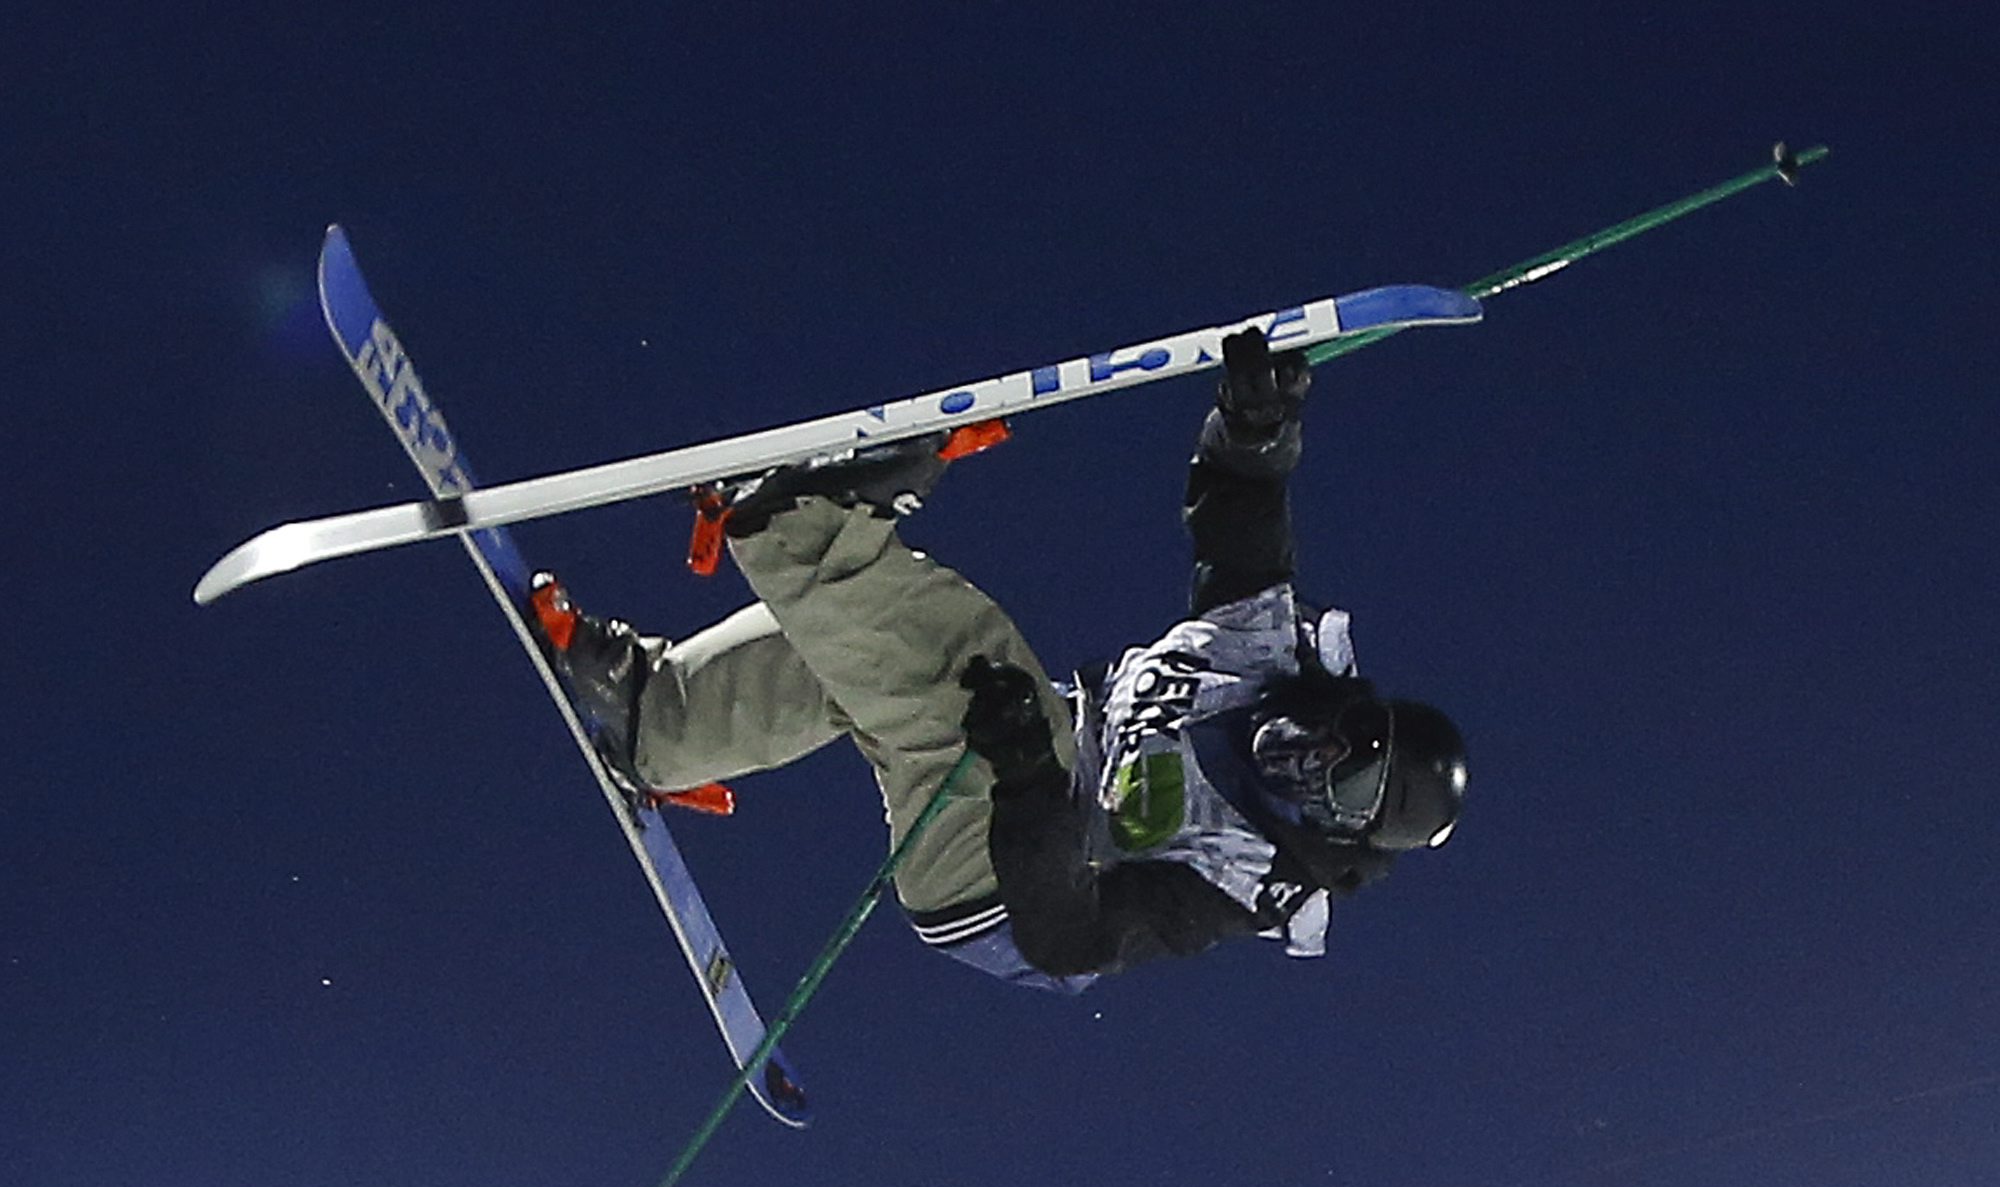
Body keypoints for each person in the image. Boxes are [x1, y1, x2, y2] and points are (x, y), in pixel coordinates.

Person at [529, 329, 1466, 994]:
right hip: (1023, 765)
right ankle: (659, 722)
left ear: (1343, 834)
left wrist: (1026, 786)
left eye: (1341, 795)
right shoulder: (1262, 651)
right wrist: (1255, 429)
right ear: (1348, 707)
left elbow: (1071, 937)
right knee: (869, 650)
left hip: (1007, 890)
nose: (1308, 763)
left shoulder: (1244, 879)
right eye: (1348, 744)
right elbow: (1240, 516)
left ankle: (800, 526)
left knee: (969, 671)